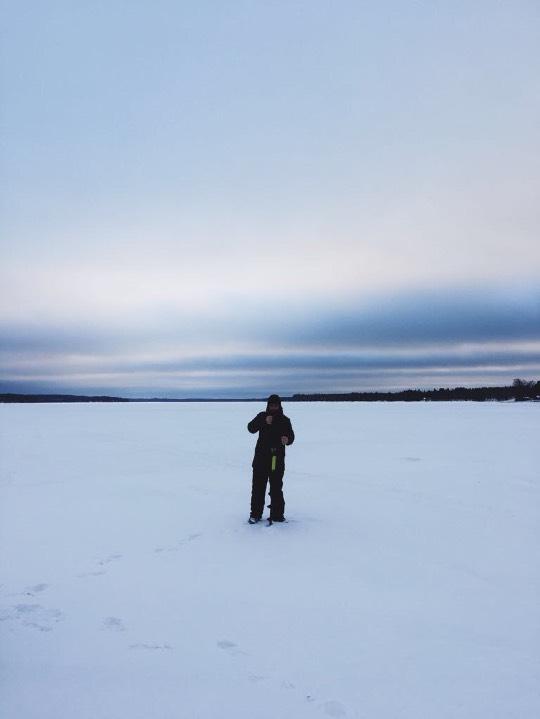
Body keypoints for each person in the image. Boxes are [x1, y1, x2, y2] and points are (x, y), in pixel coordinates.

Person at [247, 394, 295, 524]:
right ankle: (255, 514)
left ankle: (277, 514)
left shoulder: (285, 420)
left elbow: (291, 436)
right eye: (271, 405)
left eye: (276, 405)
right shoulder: (262, 416)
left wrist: (288, 440)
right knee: (258, 488)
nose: (273, 407)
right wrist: (263, 421)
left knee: (276, 488)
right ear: (268, 406)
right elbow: (250, 428)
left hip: (276, 460)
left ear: (279, 406)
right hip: (260, 459)